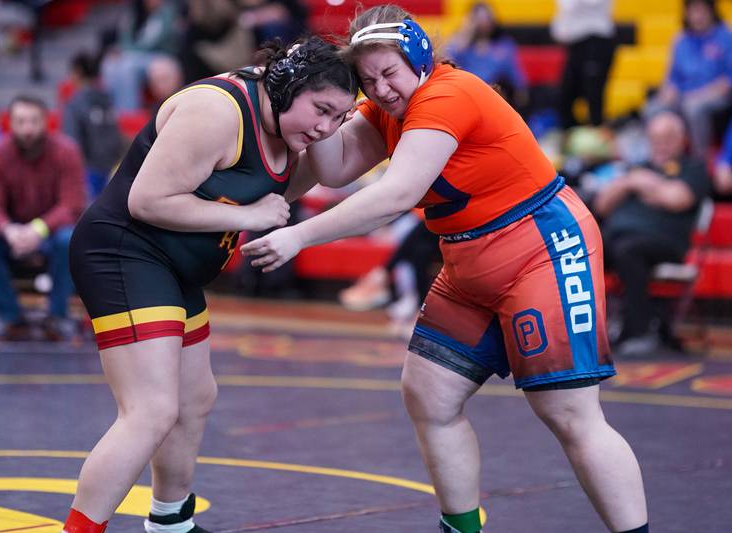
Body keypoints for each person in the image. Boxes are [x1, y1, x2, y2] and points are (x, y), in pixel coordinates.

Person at [241, 6, 649, 533]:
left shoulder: (446, 95)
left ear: (418, 57)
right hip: (469, 259)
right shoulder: (389, 108)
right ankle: (461, 527)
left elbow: (397, 194)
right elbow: (337, 166)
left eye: (389, 73)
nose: (382, 89)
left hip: (542, 249)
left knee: (569, 414)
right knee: (429, 393)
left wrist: (298, 235)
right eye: (367, 80)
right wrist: (320, 112)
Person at [64, 36, 358, 533]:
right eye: (322, 110)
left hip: (174, 267)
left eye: (340, 119)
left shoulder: (288, 131)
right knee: (150, 410)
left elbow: (282, 186)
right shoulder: (216, 111)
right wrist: (250, 214)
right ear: (289, 85)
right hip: (125, 252)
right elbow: (148, 201)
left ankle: (170, 522)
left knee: (195, 397)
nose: (326, 128)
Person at [0, 94, 86, 341]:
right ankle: (9, 317)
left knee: (70, 238)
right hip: (11, 232)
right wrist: (8, 230)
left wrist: (38, 229)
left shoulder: (66, 151)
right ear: (10, 123)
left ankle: (57, 316)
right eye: (20, 121)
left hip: (51, 232)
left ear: (46, 121)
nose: (27, 128)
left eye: (34, 121)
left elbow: (72, 204)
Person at [593, 110, 711, 356]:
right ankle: (585, 330)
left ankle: (640, 331)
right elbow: (601, 205)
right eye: (656, 138)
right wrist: (630, 182)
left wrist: (645, 183)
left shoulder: (693, 168)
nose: (661, 145)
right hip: (618, 237)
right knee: (583, 246)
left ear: (681, 139)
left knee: (629, 251)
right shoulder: (635, 169)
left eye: (668, 138)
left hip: (665, 243)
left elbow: (678, 198)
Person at [646, 0, 732, 158]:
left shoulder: (726, 36)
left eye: (701, 11)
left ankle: (699, 158)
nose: (698, 16)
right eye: (694, 11)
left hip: (715, 96)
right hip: (684, 96)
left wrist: (701, 95)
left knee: (693, 107)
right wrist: (667, 93)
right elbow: (672, 79)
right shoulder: (681, 40)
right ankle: (658, 159)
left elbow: (727, 80)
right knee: (653, 108)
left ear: (711, 11)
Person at [62, 52, 124, 199]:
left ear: (77, 72)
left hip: (88, 174)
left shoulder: (74, 104)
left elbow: (71, 143)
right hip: (114, 170)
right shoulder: (108, 99)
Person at [445, 1, 527, 110]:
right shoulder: (463, 45)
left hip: (496, 96)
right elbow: (447, 58)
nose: (484, 22)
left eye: (487, 17)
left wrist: (521, 91)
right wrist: (466, 32)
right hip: (466, 95)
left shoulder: (504, 45)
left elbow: (515, 75)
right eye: (479, 18)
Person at [551, 0, 615, 128]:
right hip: (575, 44)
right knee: (567, 93)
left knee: (594, 92)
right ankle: (570, 133)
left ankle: (597, 131)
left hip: (596, 40)